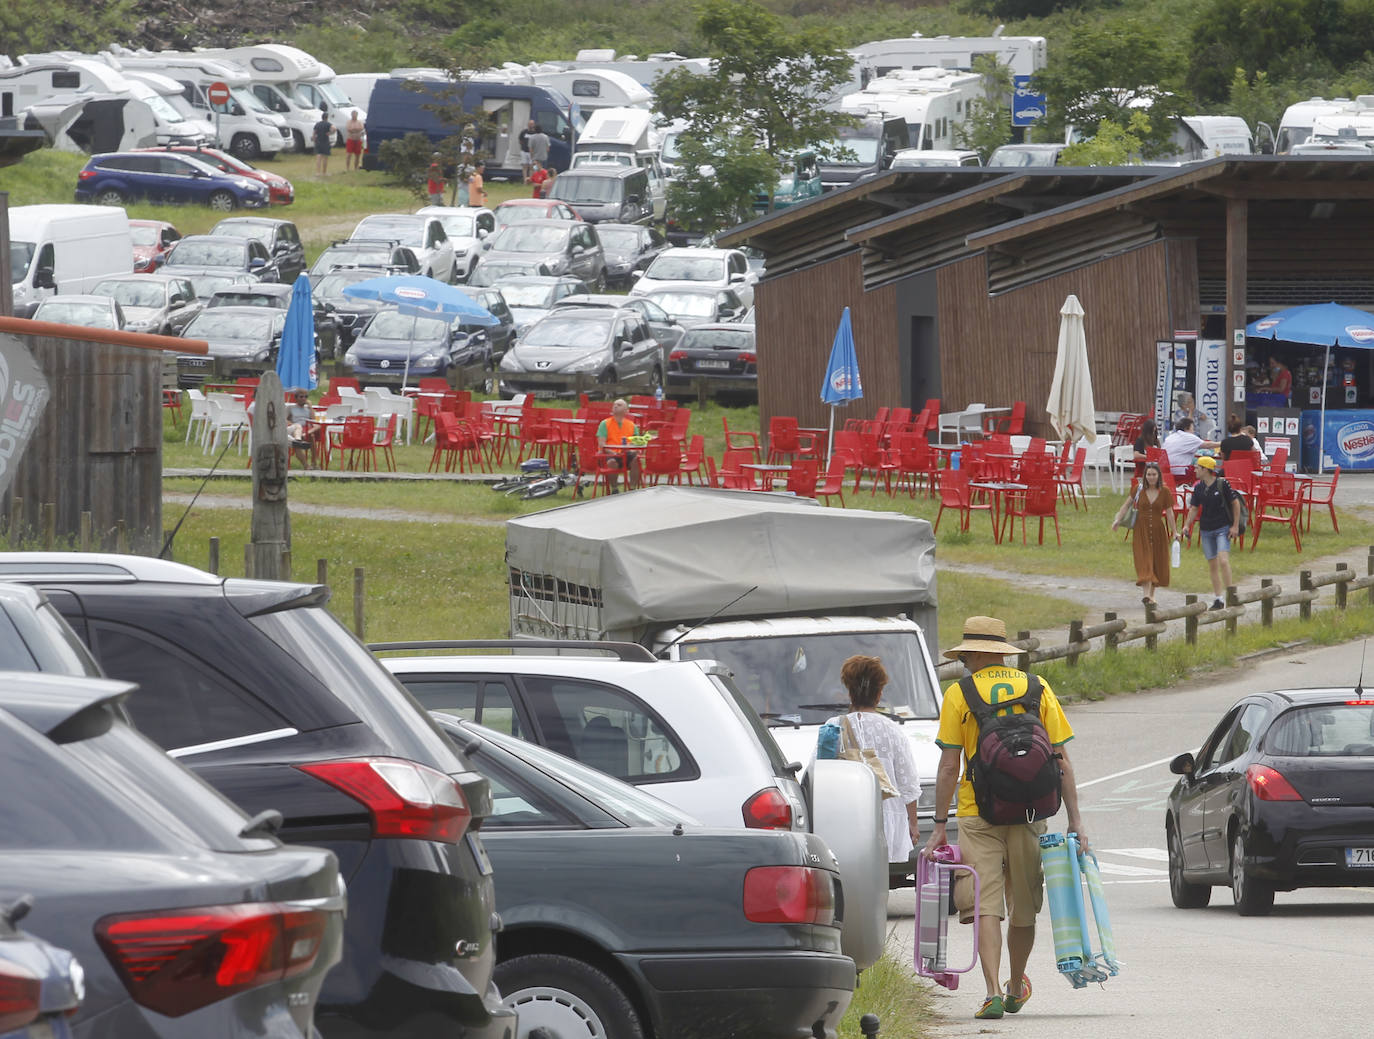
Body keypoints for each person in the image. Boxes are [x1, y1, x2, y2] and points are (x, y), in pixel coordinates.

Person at [923, 616, 1084, 1021]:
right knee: (1025, 906)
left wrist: (940, 824)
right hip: (1031, 811)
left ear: (978, 654)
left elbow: (947, 766)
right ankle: (1016, 984)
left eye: (965, 656)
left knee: (986, 904)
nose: (963, 663)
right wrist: (1076, 821)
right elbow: (1061, 759)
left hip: (978, 812)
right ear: (1002, 654)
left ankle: (992, 990)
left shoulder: (959, 694)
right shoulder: (1037, 687)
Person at [832, 655, 922, 866]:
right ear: (879, 693)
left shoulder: (833, 726)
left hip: (846, 819)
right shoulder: (892, 730)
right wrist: (913, 823)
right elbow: (907, 782)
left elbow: (818, 772)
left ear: (849, 692)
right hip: (886, 820)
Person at [1111, 460, 1177, 605]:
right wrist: (1117, 520)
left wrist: (1175, 532)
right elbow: (1126, 505)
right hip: (1141, 529)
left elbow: (1170, 513)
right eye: (1149, 474)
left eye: (1154, 474)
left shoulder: (1164, 491)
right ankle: (1146, 595)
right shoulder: (1138, 489)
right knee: (1144, 560)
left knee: (1157, 561)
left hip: (1159, 529)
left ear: (1158, 476)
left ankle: (1152, 596)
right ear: (1145, 475)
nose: (1151, 477)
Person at [1183, 454, 1241, 611]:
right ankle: (1218, 598)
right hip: (1206, 529)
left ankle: (1231, 595)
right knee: (1213, 565)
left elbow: (1235, 504)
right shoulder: (1199, 487)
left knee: (1223, 560)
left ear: (1205, 469)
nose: (1194, 470)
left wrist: (1234, 526)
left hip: (1222, 528)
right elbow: (1194, 508)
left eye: (1197, 467)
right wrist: (1187, 525)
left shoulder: (1222, 484)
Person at [596, 398, 640, 492]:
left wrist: (631, 448)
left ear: (626, 411)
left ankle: (632, 489)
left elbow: (636, 443)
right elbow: (602, 444)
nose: (615, 406)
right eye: (614, 405)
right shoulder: (605, 424)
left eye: (619, 405)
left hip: (626, 453)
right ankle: (614, 489)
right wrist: (614, 453)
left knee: (637, 460)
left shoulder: (632, 425)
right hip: (609, 454)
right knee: (612, 462)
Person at [285, 389, 315, 467]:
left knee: (312, 436)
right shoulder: (290, 408)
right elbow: (284, 419)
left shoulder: (308, 408)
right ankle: (306, 465)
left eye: (306, 397)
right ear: (296, 398)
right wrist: (291, 424)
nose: (303, 398)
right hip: (296, 428)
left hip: (308, 429)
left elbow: (313, 420)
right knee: (297, 442)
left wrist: (310, 407)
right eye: (301, 397)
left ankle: (314, 462)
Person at [312, 105, 333, 176]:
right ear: (327, 118)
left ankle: (317, 172)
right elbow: (334, 128)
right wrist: (330, 133)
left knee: (318, 157)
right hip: (325, 141)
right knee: (325, 157)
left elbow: (314, 133)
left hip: (318, 141)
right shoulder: (328, 124)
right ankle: (324, 172)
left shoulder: (317, 124)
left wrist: (314, 139)